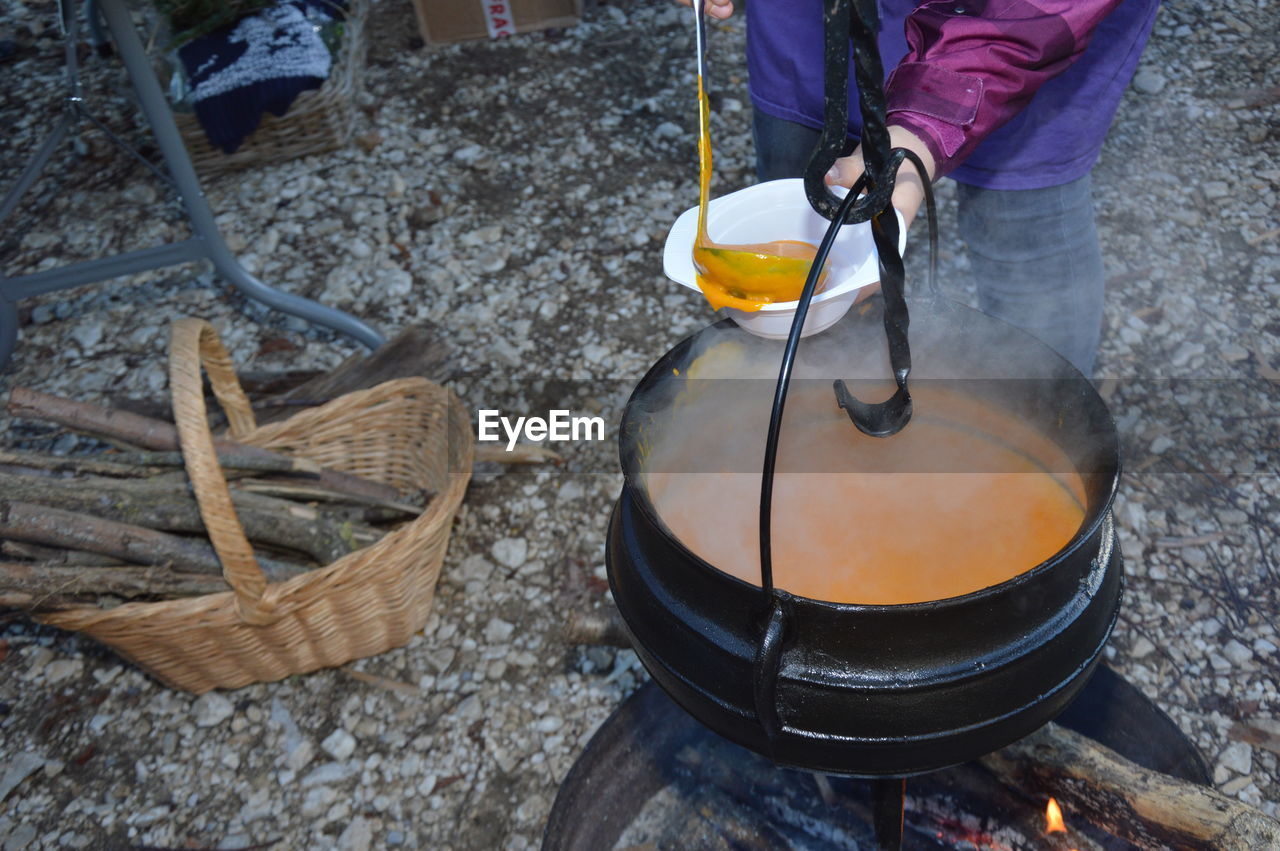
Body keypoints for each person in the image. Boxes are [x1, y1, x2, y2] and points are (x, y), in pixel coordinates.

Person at [690, 0, 1159, 376]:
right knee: (800, 224)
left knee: (1024, 234)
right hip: (814, 19)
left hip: (1026, 22)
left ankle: (1046, 420)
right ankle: (803, 402)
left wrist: (917, 133)